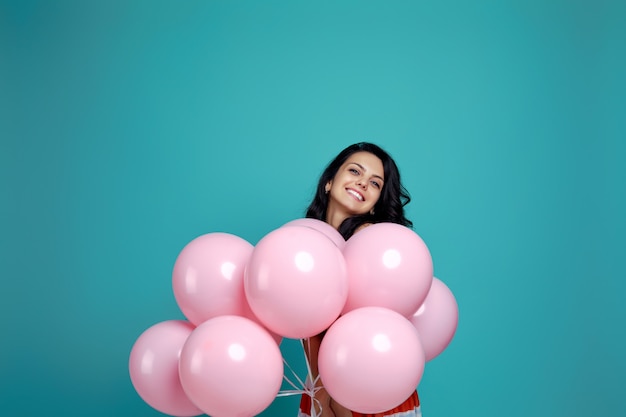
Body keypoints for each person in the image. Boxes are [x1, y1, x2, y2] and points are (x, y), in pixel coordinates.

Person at [298, 142, 421, 417]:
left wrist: (334, 400)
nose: (363, 183)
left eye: (375, 183)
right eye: (355, 171)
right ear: (329, 181)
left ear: (377, 202)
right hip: (324, 385)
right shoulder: (308, 238)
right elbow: (309, 326)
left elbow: (359, 333)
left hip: (371, 386)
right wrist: (321, 394)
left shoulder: (368, 241)